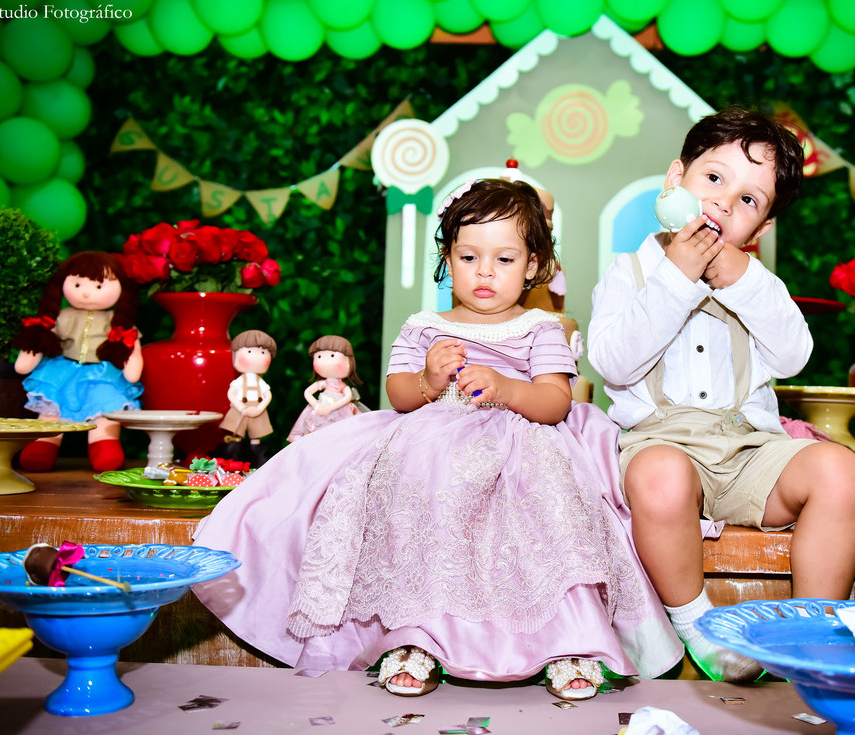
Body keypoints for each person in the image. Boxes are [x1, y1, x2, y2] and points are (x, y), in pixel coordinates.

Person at [193, 178, 681, 700]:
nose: (485, 272)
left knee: (551, 510)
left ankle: (570, 642)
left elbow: (555, 401)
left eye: (504, 259)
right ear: (448, 259)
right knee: (416, 501)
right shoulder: (425, 325)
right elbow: (399, 395)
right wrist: (427, 381)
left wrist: (507, 388)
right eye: (469, 257)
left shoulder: (540, 327)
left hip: (522, 446)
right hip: (433, 441)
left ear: (533, 264)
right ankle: (416, 639)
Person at [588, 107, 855, 682]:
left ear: (760, 230)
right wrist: (676, 278)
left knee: (840, 470)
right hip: (661, 447)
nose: (722, 203)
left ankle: (810, 630)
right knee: (660, 475)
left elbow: (793, 356)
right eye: (713, 178)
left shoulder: (758, 285)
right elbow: (612, 361)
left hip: (748, 453)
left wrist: (744, 280)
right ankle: (698, 626)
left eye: (748, 200)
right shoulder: (629, 272)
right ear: (675, 180)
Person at [13, 251, 144, 473]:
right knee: (51, 411)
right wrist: (28, 357)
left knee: (105, 413)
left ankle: (104, 445)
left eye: (98, 286)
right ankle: (44, 445)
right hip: (62, 372)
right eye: (77, 285)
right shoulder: (61, 317)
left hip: (102, 376)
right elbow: (41, 337)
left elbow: (130, 344)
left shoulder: (117, 322)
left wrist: (132, 368)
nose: (86, 293)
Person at [286, 334, 363, 443]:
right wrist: (316, 405)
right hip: (320, 407)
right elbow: (307, 392)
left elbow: (348, 397)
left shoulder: (342, 386)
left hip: (339, 410)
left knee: (341, 435)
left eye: (332, 356)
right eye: (319, 357)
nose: (325, 361)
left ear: (348, 361)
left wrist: (331, 408)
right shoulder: (324, 383)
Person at [219, 330, 276, 467]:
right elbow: (231, 393)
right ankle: (232, 463)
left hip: (257, 411)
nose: (256, 356)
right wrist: (241, 408)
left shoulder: (260, 382)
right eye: (249, 351)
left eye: (263, 352)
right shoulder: (240, 381)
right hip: (240, 410)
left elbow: (267, 395)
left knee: (256, 437)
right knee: (235, 435)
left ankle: (258, 464)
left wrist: (259, 408)